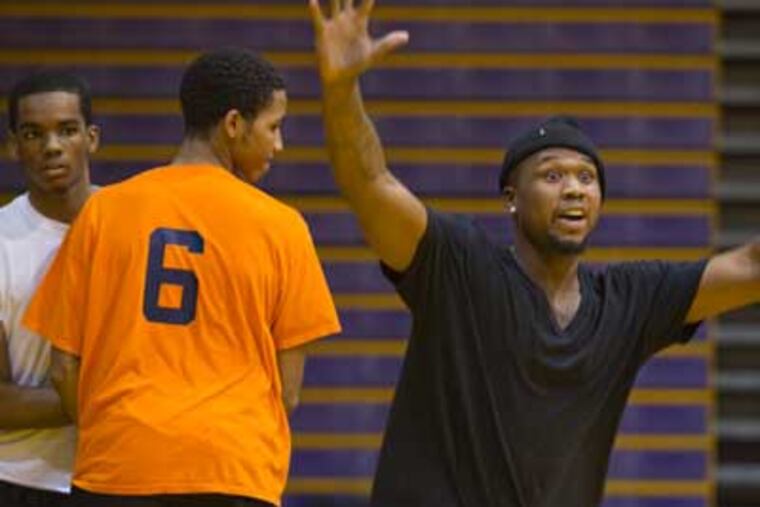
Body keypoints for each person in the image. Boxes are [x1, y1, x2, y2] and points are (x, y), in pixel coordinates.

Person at [308, 1, 760, 506]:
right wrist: (341, 89)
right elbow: (369, 182)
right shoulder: (460, 267)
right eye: (552, 175)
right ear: (511, 198)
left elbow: (750, 267)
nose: (574, 189)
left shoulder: (630, 301)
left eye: (587, 178)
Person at [23, 48, 341, 507]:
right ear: (233, 125)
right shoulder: (282, 226)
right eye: (273, 127)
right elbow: (287, 392)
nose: (279, 145)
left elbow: (62, 367)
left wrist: (112, 428)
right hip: (231, 469)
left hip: (118, 465)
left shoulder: (103, 212)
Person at [0, 70, 100, 507]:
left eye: (67, 130)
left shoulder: (133, 227)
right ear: (12, 146)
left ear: (91, 138)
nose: (53, 146)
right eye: (33, 133)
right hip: (20, 482)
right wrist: (110, 399)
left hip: (118, 478)